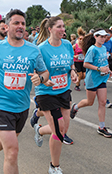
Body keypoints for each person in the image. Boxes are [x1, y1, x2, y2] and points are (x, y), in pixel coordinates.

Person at [0, 9, 49, 174]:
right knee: (12, 152)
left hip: (21, 106)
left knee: (8, 140)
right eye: (16, 23)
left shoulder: (33, 50)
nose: (20, 26)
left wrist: (41, 79)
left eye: (23, 23)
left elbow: (44, 72)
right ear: (6, 27)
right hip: (0, 104)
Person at [32, 17, 78, 174]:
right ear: (50, 29)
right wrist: (43, 80)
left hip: (63, 90)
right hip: (46, 93)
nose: (63, 29)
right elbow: (35, 71)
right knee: (59, 131)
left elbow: (71, 63)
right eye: (59, 26)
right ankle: (54, 166)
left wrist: (72, 71)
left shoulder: (67, 45)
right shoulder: (41, 49)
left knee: (63, 129)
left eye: (64, 26)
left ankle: (39, 130)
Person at [70, 29, 112, 138]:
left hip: (102, 79)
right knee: (90, 102)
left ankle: (101, 127)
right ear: (95, 37)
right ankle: (75, 107)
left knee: (103, 102)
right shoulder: (92, 49)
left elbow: (104, 61)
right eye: (101, 37)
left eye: (105, 37)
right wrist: (99, 69)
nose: (103, 39)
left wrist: (108, 69)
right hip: (92, 79)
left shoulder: (103, 48)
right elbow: (86, 64)